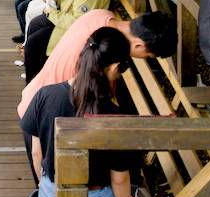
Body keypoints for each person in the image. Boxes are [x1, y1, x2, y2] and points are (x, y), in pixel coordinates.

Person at [20, 27, 137, 197]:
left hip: (51, 191)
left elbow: (37, 152)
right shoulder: (114, 115)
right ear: (114, 67)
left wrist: (46, 187)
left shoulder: (45, 95)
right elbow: (119, 179)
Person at [17, 10, 177, 118]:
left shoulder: (101, 15)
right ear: (139, 46)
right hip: (45, 116)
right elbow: (98, 117)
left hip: (36, 95)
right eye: (148, 56)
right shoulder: (97, 61)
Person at [23, 0, 111, 82]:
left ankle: (35, 82)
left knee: (33, 44)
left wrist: (52, 12)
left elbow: (76, 23)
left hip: (74, 32)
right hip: (62, 19)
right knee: (35, 25)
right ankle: (36, 71)